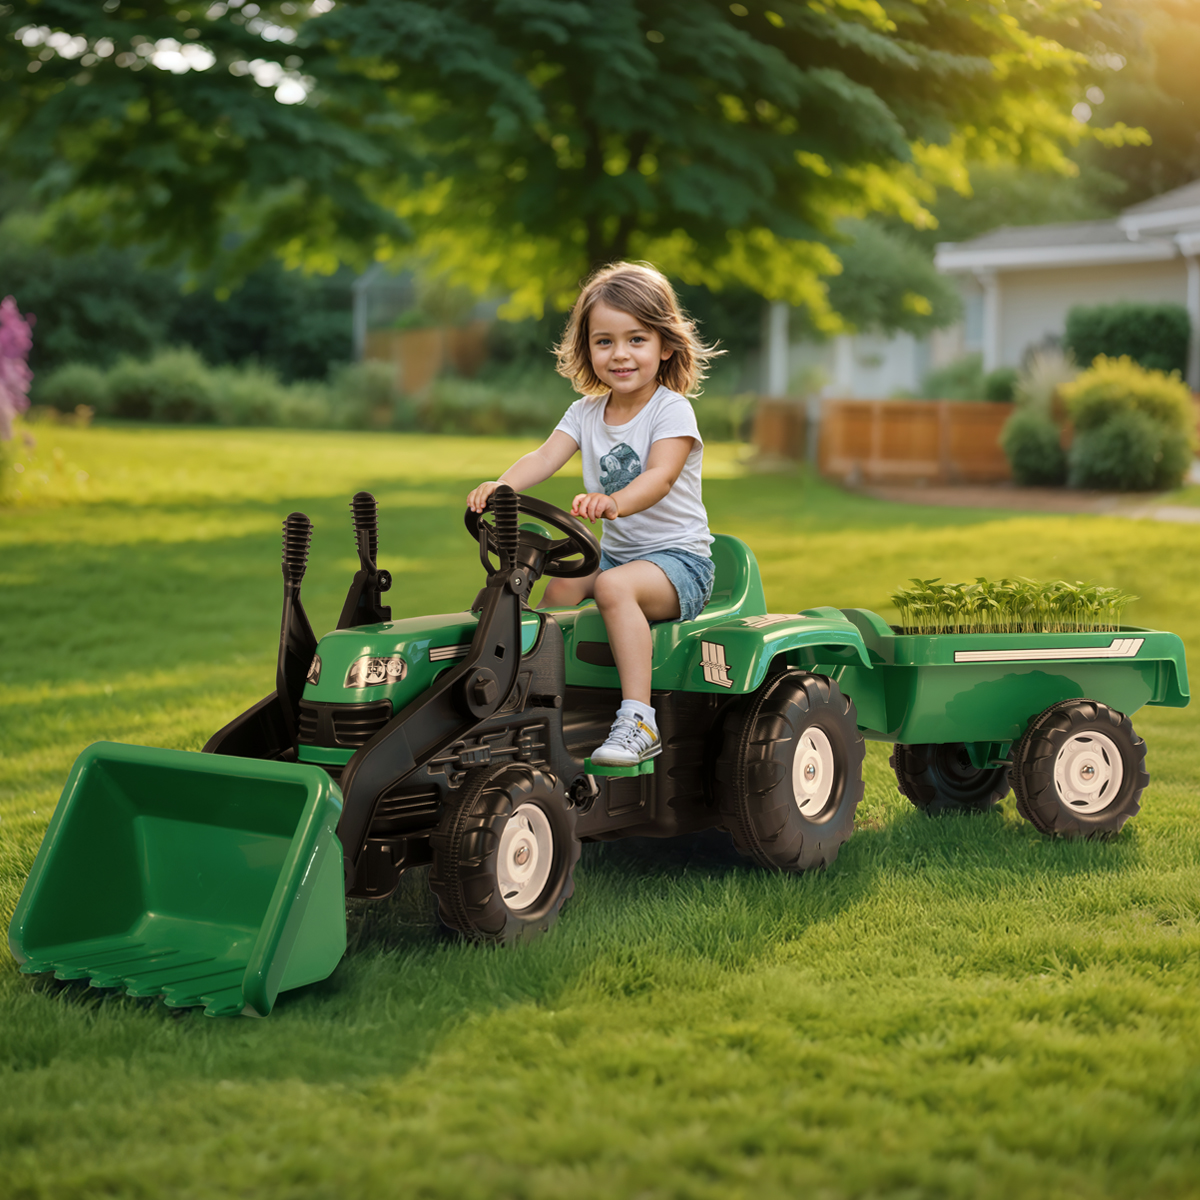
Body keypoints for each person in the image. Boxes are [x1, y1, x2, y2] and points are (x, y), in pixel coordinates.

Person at [467, 261, 720, 766]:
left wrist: (614, 502)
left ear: (665, 345)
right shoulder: (585, 412)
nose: (620, 354)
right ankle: (545, 705)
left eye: (636, 340)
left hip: (680, 564)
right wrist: (503, 484)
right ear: (587, 348)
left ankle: (638, 719)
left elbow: (660, 476)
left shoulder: (671, 410)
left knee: (610, 587)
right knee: (559, 588)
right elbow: (543, 456)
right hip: (618, 558)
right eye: (604, 341)